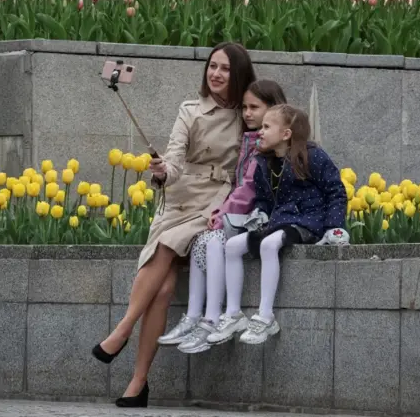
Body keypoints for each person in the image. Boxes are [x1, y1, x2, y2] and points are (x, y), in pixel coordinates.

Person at [91, 42, 256, 407]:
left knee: (167, 245)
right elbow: (175, 156)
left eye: (225, 69)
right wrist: (164, 171)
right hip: (177, 197)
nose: (216, 74)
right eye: (212, 66)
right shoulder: (190, 109)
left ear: (239, 73)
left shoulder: (247, 115)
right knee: (162, 290)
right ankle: (138, 383)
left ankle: (122, 329)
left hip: (213, 202)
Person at [157, 80, 288, 354]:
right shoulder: (250, 141)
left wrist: (223, 213)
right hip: (243, 215)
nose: (248, 114)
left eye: (255, 108)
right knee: (203, 239)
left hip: (259, 219)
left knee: (214, 239)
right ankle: (196, 317)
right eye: (244, 107)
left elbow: (249, 189)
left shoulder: (265, 149)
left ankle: (213, 319)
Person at [207, 104, 348, 346]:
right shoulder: (264, 163)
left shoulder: (313, 156)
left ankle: (265, 316)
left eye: (266, 127)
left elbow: (336, 191)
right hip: (278, 221)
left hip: (307, 221)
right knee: (232, 246)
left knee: (270, 245)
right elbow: (263, 198)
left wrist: (333, 226)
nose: (260, 131)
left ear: (286, 134)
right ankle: (233, 314)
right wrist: (260, 213)